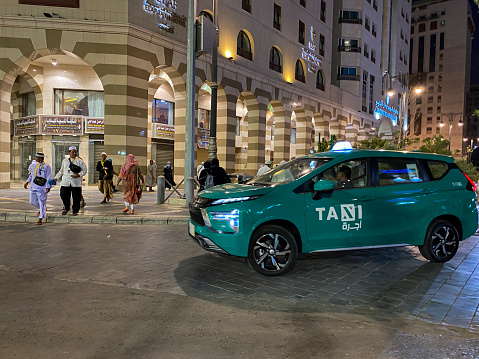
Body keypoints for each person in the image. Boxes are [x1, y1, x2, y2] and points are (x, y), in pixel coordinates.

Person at [52, 146, 87, 216]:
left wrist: (78, 175)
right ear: (69, 153)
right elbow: (61, 171)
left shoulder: (80, 161)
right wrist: (56, 178)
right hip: (65, 181)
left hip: (76, 182)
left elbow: (85, 170)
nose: (74, 153)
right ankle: (66, 207)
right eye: (72, 152)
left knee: (76, 197)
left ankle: (75, 211)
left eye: (75, 152)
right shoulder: (65, 161)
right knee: (63, 195)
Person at [24, 153, 52, 225]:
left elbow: (49, 177)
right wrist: (27, 182)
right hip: (33, 186)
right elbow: (31, 175)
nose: (36, 158)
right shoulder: (34, 165)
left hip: (42, 187)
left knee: (42, 202)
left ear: (40, 158)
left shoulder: (47, 166)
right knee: (32, 201)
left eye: (37, 157)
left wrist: (48, 186)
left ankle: (40, 218)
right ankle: (42, 208)